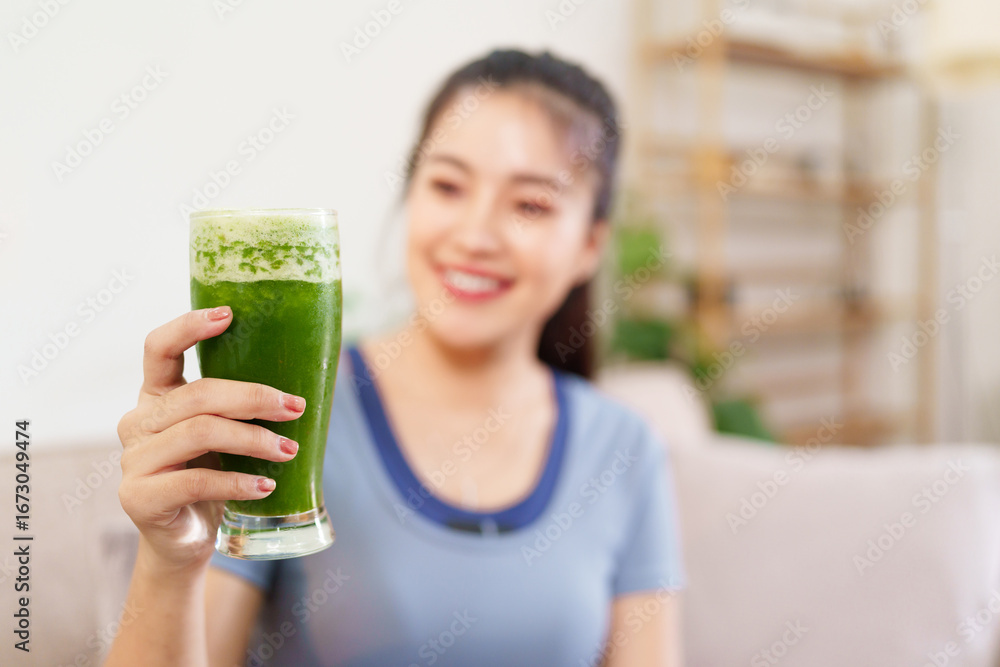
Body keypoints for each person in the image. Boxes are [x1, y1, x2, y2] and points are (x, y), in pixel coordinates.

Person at [108, 48, 685, 667]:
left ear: (590, 245)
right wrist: (171, 561)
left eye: (530, 205)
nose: (475, 235)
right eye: (448, 186)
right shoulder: (285, 414)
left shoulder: (626, 450)